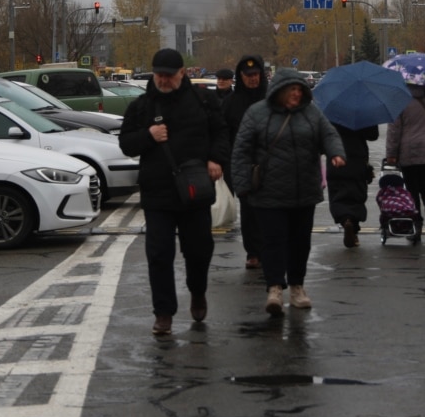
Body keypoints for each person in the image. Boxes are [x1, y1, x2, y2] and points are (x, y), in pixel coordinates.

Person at [119, 48, 230, 336]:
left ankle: (197, 292)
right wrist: (148, 136)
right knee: (158, 254)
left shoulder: (204, 101)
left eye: (169, 75)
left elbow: (221, 132)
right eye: (159, 75)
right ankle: (164, 313)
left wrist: (216, 159)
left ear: (182, 73)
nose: (164, 80)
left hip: (195, 190)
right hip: (158, 193)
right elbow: (126, 144)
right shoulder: (141, 107)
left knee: (198, 250)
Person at [231, 68, 346, 315]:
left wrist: (336, 153)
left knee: (300, 242)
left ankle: (297, 287)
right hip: (268, 191)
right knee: (273, 242)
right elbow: (241, 150)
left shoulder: (311, 113)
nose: (296, 94)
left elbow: (328, 134)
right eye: (292, 89)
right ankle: (274, 288)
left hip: (304, 190)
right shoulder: (257, 113)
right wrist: (242, 186)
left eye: (299, 89)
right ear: (280, 91)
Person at [385, 84, 425, 241]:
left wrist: (391, 154)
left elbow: (394, 130)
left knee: (412, 189)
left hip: (409, 150)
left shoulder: (399, 97)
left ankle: (416, 226)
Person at [221, 54, 268, 269]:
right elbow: (223, 134)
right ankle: (253, 253)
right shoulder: (231, 103)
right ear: (241, 76)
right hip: (243, 164)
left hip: (270, 164)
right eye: (248, 75)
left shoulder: (271, 98)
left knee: (269, 210)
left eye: (256, 74)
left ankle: (269, 249)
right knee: (248, 210)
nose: (253, 79)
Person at [326, 123, 379, 248]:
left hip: (336, 158)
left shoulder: (330, 111)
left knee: (337, 195)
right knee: (356, 194)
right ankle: (353, 229)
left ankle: (346, 221)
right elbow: (373, 135)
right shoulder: (364, 109)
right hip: (358, 160)